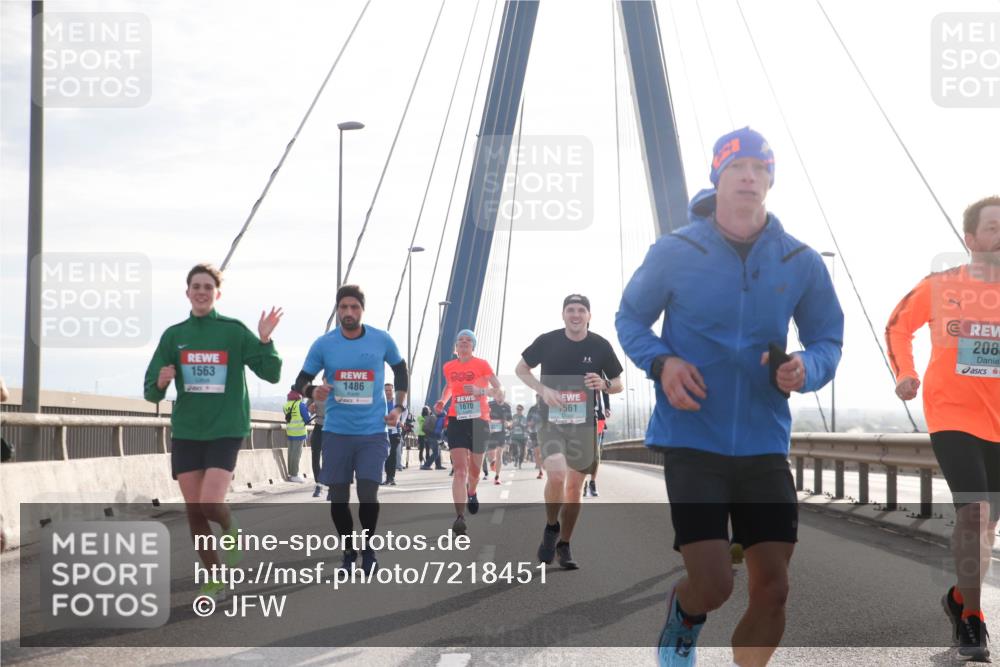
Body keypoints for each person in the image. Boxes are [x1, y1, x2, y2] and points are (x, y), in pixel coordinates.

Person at [615, 127, 844, 667]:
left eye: (759, 168)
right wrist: (662, 361)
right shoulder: (675, 251)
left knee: (774, 588)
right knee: (714, 584)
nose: (748, 176)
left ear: (770, 180)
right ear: (717, 176)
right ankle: (684, 616)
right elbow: (629, 319)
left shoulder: (800, 261)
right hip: (694, 436)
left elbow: (828, 340)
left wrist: (804, 368)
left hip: (764, 440)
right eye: (737, 166)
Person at [885, 195, 1000, 661]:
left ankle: (958, 598)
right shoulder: (940, 285)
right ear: (970, 240)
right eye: (993, 228)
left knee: (987, 526)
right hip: (952, 413)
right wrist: (905, 373)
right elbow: (897, 326)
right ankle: (973, 620)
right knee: (974, 513)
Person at [144, 263, 283, 601]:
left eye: (208, 287)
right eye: (196, 286)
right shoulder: (174, 336)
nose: (202, 292)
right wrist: (161, 383)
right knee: (194, 510)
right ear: (188, 292)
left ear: (217, 293)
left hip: (226, 428)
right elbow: (151, 391)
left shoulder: (233, 332)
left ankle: (230, 526)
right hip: (188, 430)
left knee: (209, 503)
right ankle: (214, 577)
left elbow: (272, 374)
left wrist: (264, 340)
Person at [292, 284, 407, 575]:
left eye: (354, 307)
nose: (348, 312)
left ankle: (368, 547)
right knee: (339, 498)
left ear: (362, 310)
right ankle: (348, 549)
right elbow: (301, 381)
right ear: (337, 310)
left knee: (368, 493)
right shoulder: (324, 344)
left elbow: (401, 369)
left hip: (372, 432)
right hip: (337, 432)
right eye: (343, 307)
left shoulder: (382, 340)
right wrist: (312, 390)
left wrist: (398, 408)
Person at [516, 294, 624, 570]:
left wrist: (603, 383)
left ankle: (564, 544)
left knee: (574, 488)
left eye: (581, 310)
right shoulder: (547, 340)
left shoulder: (600, 345)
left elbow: (618, 385)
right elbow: (521, 369)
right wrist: (543, 390)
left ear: (589, 315)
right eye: (570, 310)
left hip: (584, 424)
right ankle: (551, 527)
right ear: (563, 315)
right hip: (550, 421)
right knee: (556, 474)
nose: (575, 315)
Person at [434, 329, 504, 536]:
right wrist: (442, 400)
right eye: (460, 340)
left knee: (474, 471)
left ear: (473, 346)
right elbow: (449, 386)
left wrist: (480, 391)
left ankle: (472, 492)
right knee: (460, 470)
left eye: (468, 341)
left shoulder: (482, 365)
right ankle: (459, 517)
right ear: (456, 347)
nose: (464, 343)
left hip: (479, 420)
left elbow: (500, 391)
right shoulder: (449, 366)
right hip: (457, 420)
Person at [584, 390, 610, 497]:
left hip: (599, 419)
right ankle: (583, 483)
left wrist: (607, 407)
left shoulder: (600, 374)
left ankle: (592, 483)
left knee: (596, 453)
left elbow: (606, 388)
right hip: (582, 416)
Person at [283, 389, 310, 483]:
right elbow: (307, 419)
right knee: (296, 454)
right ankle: (294, 475)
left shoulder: (286, 405)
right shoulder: (300, 405)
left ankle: (291, 473)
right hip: (299, 433)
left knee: (291, 454)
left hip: (290, 432)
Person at [486, 397, 513, 484]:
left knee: (499, 454)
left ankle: (497, 477)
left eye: (501, 395)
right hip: (490, 432)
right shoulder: (489, 404)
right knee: (490, 455)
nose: (499, 396)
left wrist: (508, 423)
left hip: (502, 432)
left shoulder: (507, 406)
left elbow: (510, 420)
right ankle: (493, 462)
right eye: (498, 394)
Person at [383, 383, 403, 486]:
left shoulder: (396, 402)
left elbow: (405, 411)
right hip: (384, 431)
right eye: (386, 390)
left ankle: (392, 477)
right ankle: (387, 477)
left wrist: (401, 421)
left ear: (393, 390)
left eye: (389, 390)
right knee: (386, 455)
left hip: (395, 432)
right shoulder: (382, 402)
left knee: (392, 454)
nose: (388, 392)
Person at [309, 393, 326, 498]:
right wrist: (310, 409)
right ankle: (318, 484)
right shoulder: (316, 392)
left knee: (328, 457)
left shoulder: (338, 392)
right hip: (318, 427)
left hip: (332, 428)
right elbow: (307, 408)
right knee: (315, 455)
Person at [526, 393, 544, 478]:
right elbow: (528, 421)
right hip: (534, 432)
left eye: (540, 397)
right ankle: (540, 470)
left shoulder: (546, 408)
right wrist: (530, 423)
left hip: (544, 432)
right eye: (537, 397)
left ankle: (543, 466)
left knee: (542, 451)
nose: (538, 399)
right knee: (536, 451)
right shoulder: (532, 409)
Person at [510, 404, 528, 469]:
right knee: (515, 450)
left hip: (522, 437)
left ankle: (520, 463)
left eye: (520, 409)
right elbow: (510, 425)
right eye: (517, 409)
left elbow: (526, 427)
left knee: (522, 452)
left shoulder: (524, 418)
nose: (518, 411)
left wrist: (521, 425)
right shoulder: (513, 417)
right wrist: (512, 425)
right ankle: (516, 460)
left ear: (522, 410)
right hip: (514, 437)